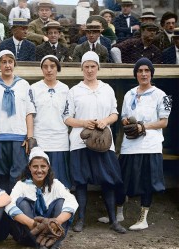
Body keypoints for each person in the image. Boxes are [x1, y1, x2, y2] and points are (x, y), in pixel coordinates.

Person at [63, 51, 126, 234]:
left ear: (98, 67)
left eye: (93, 66)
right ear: (81, 68)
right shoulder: (74, 91)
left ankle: (113, 221)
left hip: (103, 141)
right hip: (80, 141)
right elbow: (67, 118)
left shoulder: (107, 89)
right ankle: (81, 220)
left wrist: (105, 121)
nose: (90, 70)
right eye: (86, 66)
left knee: (108, 180)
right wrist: (84, 122)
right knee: (81, 182)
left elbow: (115, 113)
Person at [118, 58, 171, 230]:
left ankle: (143, 218)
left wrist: (143, 126)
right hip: (130, 145)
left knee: (147, 182)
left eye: (146, 70)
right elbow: (123, 117)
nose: (143, 74)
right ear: (135, 74)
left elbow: (163, 122)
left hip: (150, 145)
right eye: (139, 71)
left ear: (151, 73)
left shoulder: (161, 95)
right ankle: (118, 213)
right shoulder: (129, 94)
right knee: (122, 180)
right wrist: (126, 121)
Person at [6, 147, 78, 249]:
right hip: (28, 233)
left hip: (52, 233)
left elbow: (72, 201)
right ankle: (41, 247)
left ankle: (54, 247)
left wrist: (55, 223)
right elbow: (9, 204)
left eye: (43, 166)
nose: (39, 170)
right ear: (29, 168)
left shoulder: (55, 184)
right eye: (35, 166)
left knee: (61, 202)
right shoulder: (21, 185)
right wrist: (32, 224)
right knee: (22, 203)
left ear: (48, 167)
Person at [0, 50, 36, 194]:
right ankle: (3, 209)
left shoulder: (23, 85)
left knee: (18, 175)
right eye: (4, 62)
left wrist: (30, 137)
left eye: (10, 62)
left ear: (14, 64)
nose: (7, 65)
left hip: (18, 137)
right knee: (0, 175)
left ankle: (16, 210)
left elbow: (29, 112)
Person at [30, 55, 71, 189]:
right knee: (39, 181)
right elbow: (29, 114)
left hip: (60, 141)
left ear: (57, 69)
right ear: (41, 69)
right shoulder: (33, 88)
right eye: (45, 67)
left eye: (52, 66)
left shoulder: (65, 89)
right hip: (40, 140)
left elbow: (68, 115)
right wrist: (30, 137)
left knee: (59, 183)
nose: (49, 70)